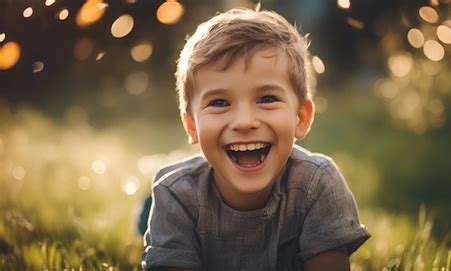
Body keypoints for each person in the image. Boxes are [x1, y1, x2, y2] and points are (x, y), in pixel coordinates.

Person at [142, 6, 370, 271]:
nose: (244, 122)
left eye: (267, 99)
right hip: (182, 196)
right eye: (219, 102)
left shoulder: (318, 185)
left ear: (301, 116)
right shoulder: (176, 195)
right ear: (191, 125)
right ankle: (145, 210)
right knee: (151, 213)